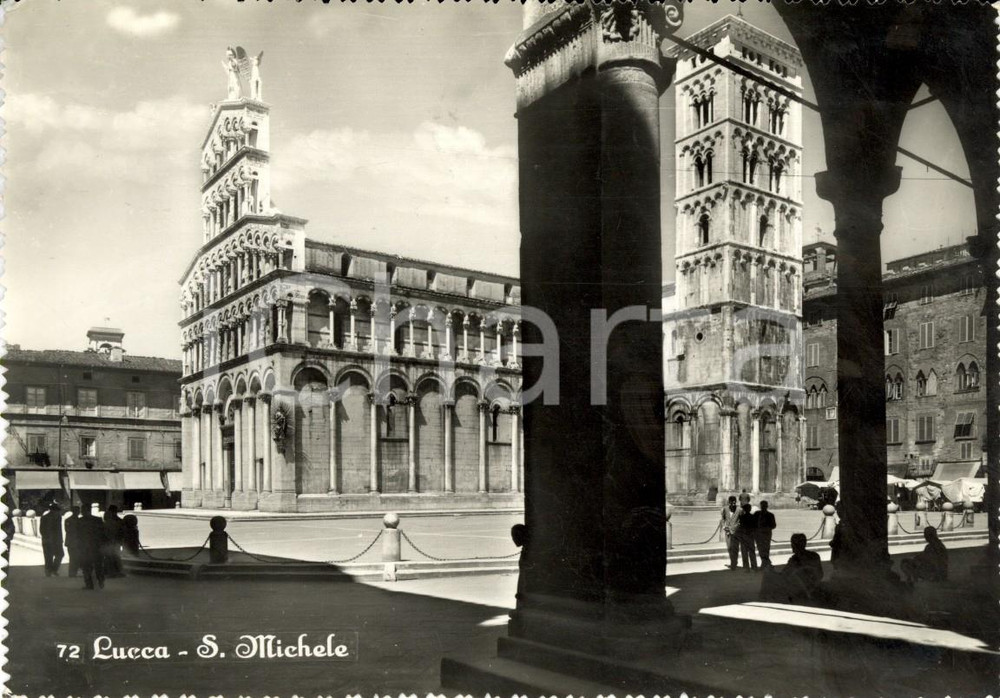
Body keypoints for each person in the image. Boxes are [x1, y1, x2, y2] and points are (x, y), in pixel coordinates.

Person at [761, 533, 824, 604]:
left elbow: (784, 575)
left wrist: (771, 571)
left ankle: (762, 600)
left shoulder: (794, 559)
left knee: (767, 576)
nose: (791, 545)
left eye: (792, 543)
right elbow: (820, 574)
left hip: (798, 589)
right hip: (810, 586)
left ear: (795, 545)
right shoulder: (814, 556)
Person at [77, 507, 108, 590]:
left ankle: (89, 584)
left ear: (83, 511)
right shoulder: (98, 520)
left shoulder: (79, 521)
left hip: (85, 548)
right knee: (98, 565)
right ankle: (100, 581)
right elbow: (104, 533)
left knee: (86, 567)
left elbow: (77, 536)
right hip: (96, 547)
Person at [39, 501, 65, 577]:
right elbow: (42, 530)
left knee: (60, 554)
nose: (58, 512)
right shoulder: (45, 518)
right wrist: (47, 538)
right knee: (48, 557)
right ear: (53, 511)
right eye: (57, 511)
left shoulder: (58, 517)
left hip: (56, 541)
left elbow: (59, 530)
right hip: (48, 540)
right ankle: (49, 571)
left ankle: (53, 570)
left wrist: (60, 539)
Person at [102, 505, 126, 578]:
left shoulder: (106, 524)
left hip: (109, 542)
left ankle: (111, 572)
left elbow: (105, 534)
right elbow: (122, 532)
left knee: (109, 557)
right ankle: (118, 571)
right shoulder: (118, 521)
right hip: (116, 542)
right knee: (116, 557)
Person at [736, 503, 758, 571]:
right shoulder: (753, 517)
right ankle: (754, 566)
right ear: (750, 509)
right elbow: (755, 527)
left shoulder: (742, 517)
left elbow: (740, 527)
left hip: (744, 536)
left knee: (744, 553)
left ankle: (746, 567)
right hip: (751, 536)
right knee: (752, 552)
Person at [754, 500, 776, 568]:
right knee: (760, 549)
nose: (763, 507)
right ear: (760, 506)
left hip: (766, 535)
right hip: (758, 535)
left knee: (766, 549)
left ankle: (765, 563)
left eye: (764, 506)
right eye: (762, 506)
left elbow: (774, 525)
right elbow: (753, 523)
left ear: (767, 506)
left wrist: (766, 528)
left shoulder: (770, 515)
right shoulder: (757, 514)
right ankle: (767, 562)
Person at [721, 496, 741, 570]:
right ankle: (733, 561)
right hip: (728, 532)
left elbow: (742, 520)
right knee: (729, 548)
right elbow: (723, 519)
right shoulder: (725, 509)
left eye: (734, 502)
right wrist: (724, 526)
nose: (733, 504)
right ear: (728, 502)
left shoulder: (739, 510)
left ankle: (733, 563)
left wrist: (737, 526)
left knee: (735, 548)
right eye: (731, 503)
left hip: (736, 533)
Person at [64, 506, 82, 578]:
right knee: (73, 557)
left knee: (74, 557)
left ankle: (73, 572)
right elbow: (68, 530)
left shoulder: (68, 520)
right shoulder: (73, 520)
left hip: (73, 542)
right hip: (74, 542)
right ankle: (72, 573)